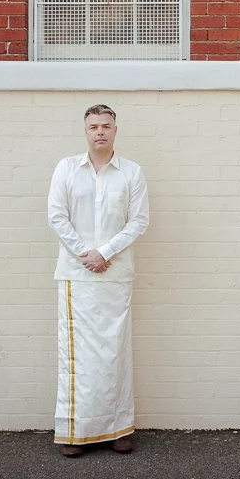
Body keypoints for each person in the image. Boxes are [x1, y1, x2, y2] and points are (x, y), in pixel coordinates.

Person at [48, 104, 150, 457]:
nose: (100, 132)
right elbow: (57, 217)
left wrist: (105, 252)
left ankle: (119, 430)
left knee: (114, 352)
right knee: (77, 357)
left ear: (115, 130)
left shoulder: (131, 173)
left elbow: (138, 221)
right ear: (85, 131)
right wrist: (85, 254)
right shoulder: (66, 169)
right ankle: (74, 433)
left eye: (106, 126)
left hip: (115, 276)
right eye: (94, 126)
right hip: (76, 276)